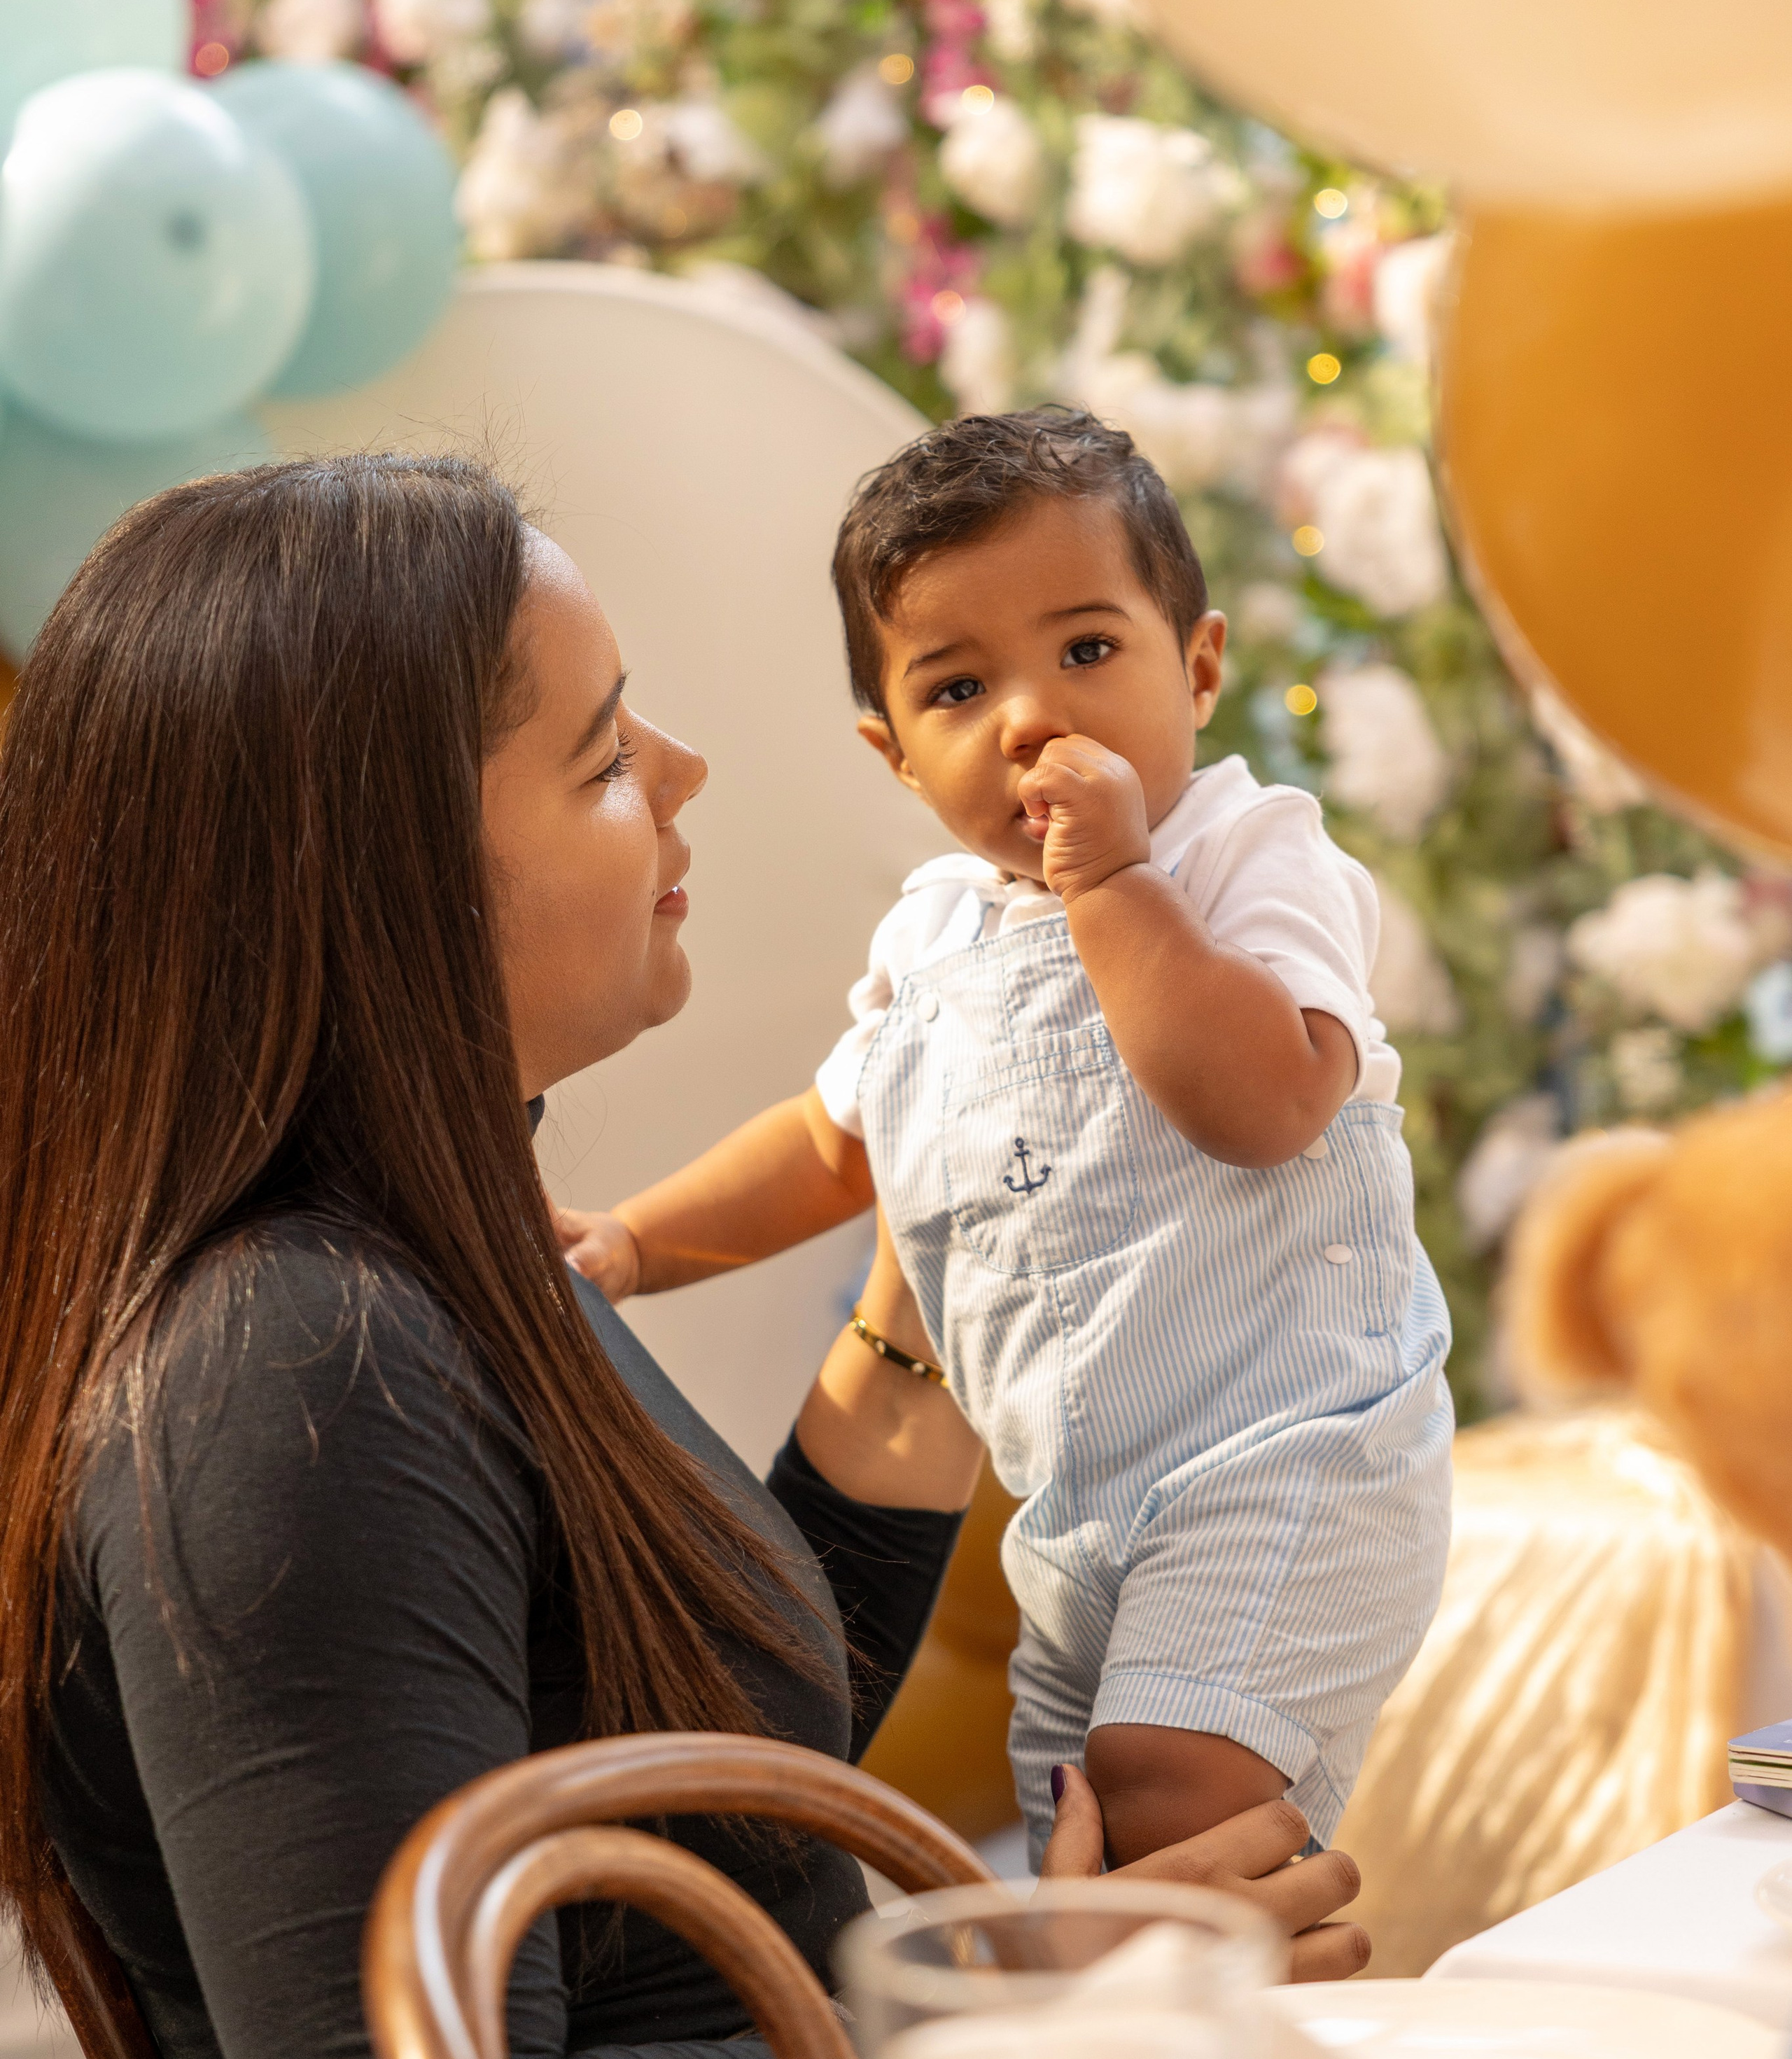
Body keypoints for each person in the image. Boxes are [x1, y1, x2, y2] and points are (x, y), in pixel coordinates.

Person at [0, 452, 1368, 2059]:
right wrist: (1036, 2026)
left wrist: (936, 1272)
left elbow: (709, 1739)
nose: (687, 771)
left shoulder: (447, 1257)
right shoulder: (290, 1369)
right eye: (602, 758)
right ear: (386, 881)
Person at [557, 410, 1455, 1873]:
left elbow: (1270, 1104)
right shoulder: (934, 938)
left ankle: (1209, 2005)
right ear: (896, 757)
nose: (1031, 718)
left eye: (1087, 650)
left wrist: (1116, 884)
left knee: (1169, 1792)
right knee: (1076, 1826)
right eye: (959, 688)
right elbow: (834, 1144)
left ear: (1199, 669)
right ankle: (1146, 2023)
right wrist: (638, 1240)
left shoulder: (1246, 856)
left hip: (1289, 1458)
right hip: (1074, 1513)